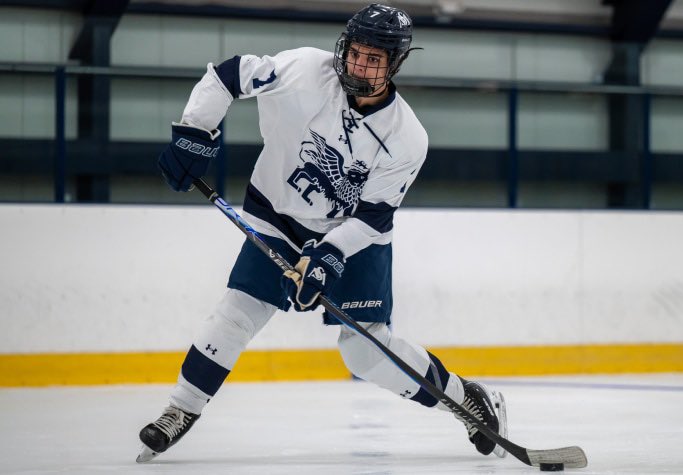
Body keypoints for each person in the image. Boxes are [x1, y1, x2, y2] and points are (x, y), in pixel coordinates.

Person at [137, 3, 507, 463]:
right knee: (236, 313)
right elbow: (229, 75)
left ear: (394, 64)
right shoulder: (304, 70)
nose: (359, 65)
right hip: (277, 214)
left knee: (364, 352)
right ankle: (180, 410)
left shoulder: (407, 137)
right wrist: (195, 131)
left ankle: (466, 397)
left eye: (374, 59)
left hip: (352, 236)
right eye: (355, 53)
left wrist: (327, 257)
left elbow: (373, 216)